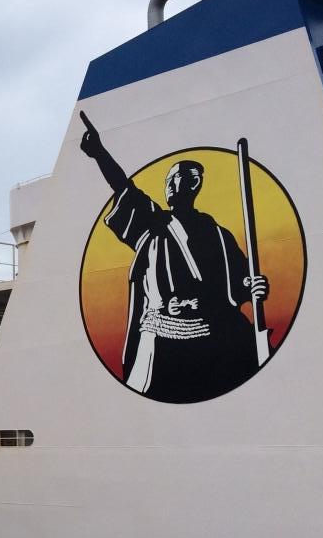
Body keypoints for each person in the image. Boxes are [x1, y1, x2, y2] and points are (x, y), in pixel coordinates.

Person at [79, 111, 268, 403]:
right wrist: (100, 154)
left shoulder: (219, 234)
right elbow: (123, 187)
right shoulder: (153, 223)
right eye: (167, 180)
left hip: (215, 337)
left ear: (193, 184)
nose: (168, 185)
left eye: (175, 178)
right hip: (164, 341)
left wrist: (254, 286)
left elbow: (240, 279)